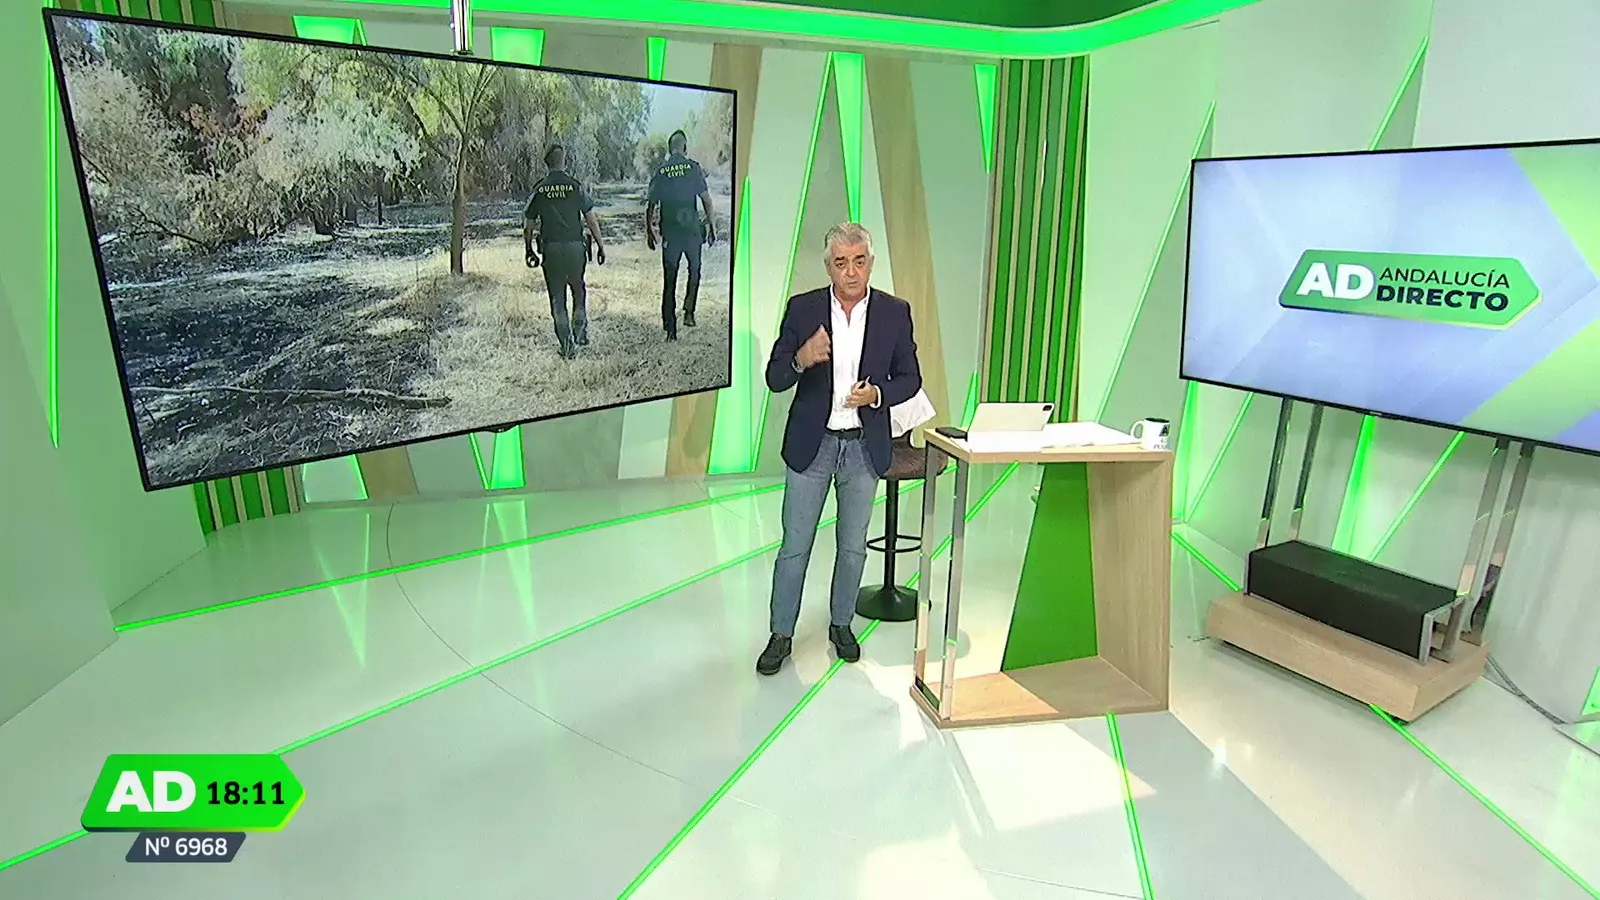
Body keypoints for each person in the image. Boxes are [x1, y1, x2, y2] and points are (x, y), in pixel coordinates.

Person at [756, 222, 922, 675]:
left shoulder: (895, 312)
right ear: (828, 266)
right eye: (842, 263)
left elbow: (911, 378)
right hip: (813, 446)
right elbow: (775, 378)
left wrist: (878, 395)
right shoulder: (803, 308)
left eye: (859, 261)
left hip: (863, 449)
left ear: (871, 263)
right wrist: (801, 358)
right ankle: (781, 634)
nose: (851, 272)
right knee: (795, 546)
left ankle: (842, 623)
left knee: (852, 547)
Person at [524, 144, 606, 360]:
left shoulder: (540, 189)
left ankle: (568, 347)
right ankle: (580, 334)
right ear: (564, 161)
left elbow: (528, 225)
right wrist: (600, 245)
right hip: (576, 248)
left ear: (547, 164)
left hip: (551, 250)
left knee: (557, 298)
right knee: (578, 290)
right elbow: (591, 219)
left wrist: (529, 250)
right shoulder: (575, 186)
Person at [644, 130, 716, 341]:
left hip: (671, 233)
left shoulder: (661, 171)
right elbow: (706, 200)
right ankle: (689, 311)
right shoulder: (693, 168)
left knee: (670, 279)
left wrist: (649, 230)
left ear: (669, 149)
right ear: (685, 148)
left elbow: (651, 205)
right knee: (695, 270)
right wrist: (712, 227)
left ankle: (670, 328)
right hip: (692, 231)